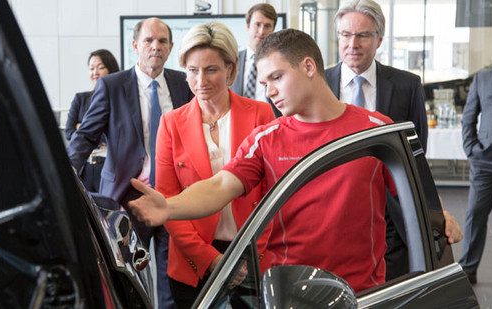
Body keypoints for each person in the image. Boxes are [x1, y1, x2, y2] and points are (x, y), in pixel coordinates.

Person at [129, 28, 463, 293]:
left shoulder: (376, 130)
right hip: (288, 292)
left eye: (276, 78)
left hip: (361, 292)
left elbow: (414, 192)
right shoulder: (266, 138)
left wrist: (439, 217)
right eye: (263, 83)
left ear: (308, 66)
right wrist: (170, 208)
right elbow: (220, 186)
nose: (269, 91)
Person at [66, 18, 194, 308]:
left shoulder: (182, 84)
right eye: (149, 41)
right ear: (135, 45)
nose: (155, 47)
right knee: (128, 279)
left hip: (172, 196)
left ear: (170, 47)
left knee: (170, 278)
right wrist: (65, 174)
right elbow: (86, 135)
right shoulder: (112, 86)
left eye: (162, 41)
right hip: (125, 197)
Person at [156, 21, 275, 308]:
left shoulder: (261, 114)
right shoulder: (171, 124)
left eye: (211, 70)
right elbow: (168, 203)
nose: (201, 81)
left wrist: (246, 257)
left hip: (253, 257)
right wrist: (211, 260)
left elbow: (274, 195)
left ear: (230, 70)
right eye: (192, 71)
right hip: (193, 263)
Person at [325, 0, 428, 281]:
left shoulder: (407, 86)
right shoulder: (319, 84)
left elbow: (416, 155)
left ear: (379, 39)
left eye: (363, 35)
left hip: (390, 215)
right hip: (332, 210)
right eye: (346, 35)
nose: (353, 43)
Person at [459, 24, 492, 288]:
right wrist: (471, 149)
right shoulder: (483, 78)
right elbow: (469, 118)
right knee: (475, 214)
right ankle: (468, 268)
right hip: (485, 159)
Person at [65, 49, 119, 192]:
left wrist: (82, 126)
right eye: (91, 68)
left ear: (111, 69)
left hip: (107, 168)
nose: (95, 72)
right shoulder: (80, 99)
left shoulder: (118, 101)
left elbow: (114, 136)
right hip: (85, 167)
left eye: (101, 67)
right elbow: (69, 132)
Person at [230, 3, 282, 117]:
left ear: (273, 29)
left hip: (272, 124)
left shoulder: (281, 62)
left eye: (267, 26)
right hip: (239, 124)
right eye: (257, 25)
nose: (262, 31)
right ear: (248, 26)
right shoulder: (231, 61)